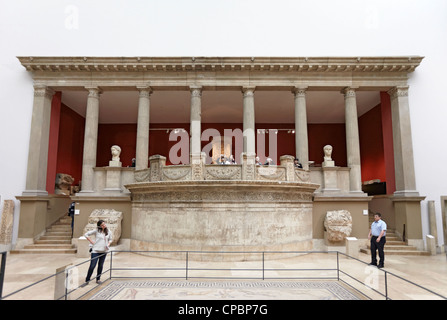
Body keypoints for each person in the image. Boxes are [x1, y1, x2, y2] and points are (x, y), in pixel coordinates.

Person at [80, 220, 113, 286]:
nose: (104, 226)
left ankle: (98, 279)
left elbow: (110, 239)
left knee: (100, 266)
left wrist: (108, 244)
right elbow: (86, 234)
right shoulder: (96, 231)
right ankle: (87, 280)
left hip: (104, 251)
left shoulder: (109, 231)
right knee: (92, 266)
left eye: (104, 224)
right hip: (95, 251)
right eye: (102, 225)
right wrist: (91, 241)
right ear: (99, 226)